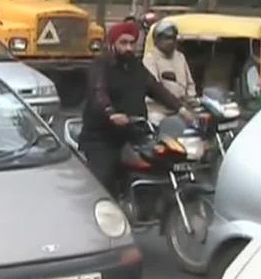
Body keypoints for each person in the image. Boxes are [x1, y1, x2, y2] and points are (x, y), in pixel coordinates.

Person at [79, 21, 196, 195]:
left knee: (160, 163)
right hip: (102, 137)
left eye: (132, 43)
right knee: (103, 180)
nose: (128, 48)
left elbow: (156, 89)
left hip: (134, 132)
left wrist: (181, 109)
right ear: (112, 44)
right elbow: (98, 92)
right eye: (123, 43)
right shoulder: (101, 65)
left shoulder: (136, 66)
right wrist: (110, 112)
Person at [142, 21, 197, 125]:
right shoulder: (150, 59)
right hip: (159, 111)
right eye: (167, 38)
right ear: (157, 40)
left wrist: (191, 98)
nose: (171, 41)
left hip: (182, 109)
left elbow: (190, 83)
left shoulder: (180, 57)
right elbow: (155, 89)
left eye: (173, 38)